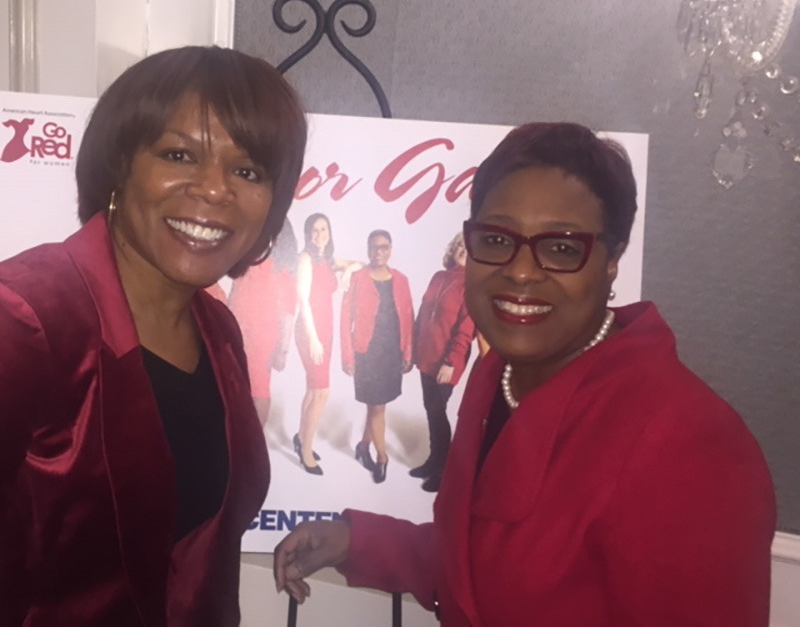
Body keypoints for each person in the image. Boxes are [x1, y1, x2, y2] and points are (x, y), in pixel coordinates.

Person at [273, 123, 776, 626]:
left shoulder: (687, 446)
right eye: (497, 238)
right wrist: (356, 541)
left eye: (560, 248)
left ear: (613, 261)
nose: (519, 271)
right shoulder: (496, 379)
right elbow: (482, 571)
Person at [0, 46, 307, 627]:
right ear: (120, 164)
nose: (214, 190)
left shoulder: (218, 332)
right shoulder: (26, 316)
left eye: (247, 171)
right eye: (178, 154)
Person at [341, 230, 414, 483]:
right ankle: (382, 457)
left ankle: (363, 446)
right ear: (367, 249)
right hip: (366, 352)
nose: (378, 252)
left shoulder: (401, 279)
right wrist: (347, 357)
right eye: (373, 248)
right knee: (377, 407)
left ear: (390, 249)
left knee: (378, 406)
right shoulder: (358, 278)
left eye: (383, 247)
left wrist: (408, 351)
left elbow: (407, 317)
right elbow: (344, 319)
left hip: (392, 352)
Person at [293, 213, 361, 475]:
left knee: (313, 389)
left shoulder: (328, 260)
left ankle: (301, 438)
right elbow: (302, 300)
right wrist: (313, 338)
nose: (320, 234)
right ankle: (306, 451)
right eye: (315, 230)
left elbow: (360, 264)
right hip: (311, 330)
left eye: (324, 229)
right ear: (308, 234)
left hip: (326, 330)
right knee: (322, 391)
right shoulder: (305, 259)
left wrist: (348, 272)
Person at [409, 232, 475, 492]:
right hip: (426, 356)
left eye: (468, 247)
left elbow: (466, 330)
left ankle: (442, 469)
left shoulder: (471, 285)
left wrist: (451, 362)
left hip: (447, 362)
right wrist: (413, 350)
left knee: (437, 411)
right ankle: (433, 459)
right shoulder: (438, 276)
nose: (462, 250)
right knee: (431, 409)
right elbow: (422, 315)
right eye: (459, 245)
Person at [228, 219, 299, 426]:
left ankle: (254, 439)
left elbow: (288, 311)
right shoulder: (244, 261)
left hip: (262, 338)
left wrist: (283, 349)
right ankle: (239, 438)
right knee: (237, 386)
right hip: (238, 331)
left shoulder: (282, 270)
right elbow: (235, 295)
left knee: (258, 388)